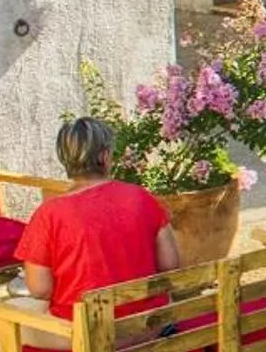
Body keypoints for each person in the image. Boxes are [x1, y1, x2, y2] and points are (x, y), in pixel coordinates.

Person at [13, 118, 180, 335]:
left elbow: (40, 289)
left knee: (7, 318)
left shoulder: (49, 213)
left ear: (64, 159)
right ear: (104, 156)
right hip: (149, 325)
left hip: (89, 336)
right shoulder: (142, 197)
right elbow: (170, 264)